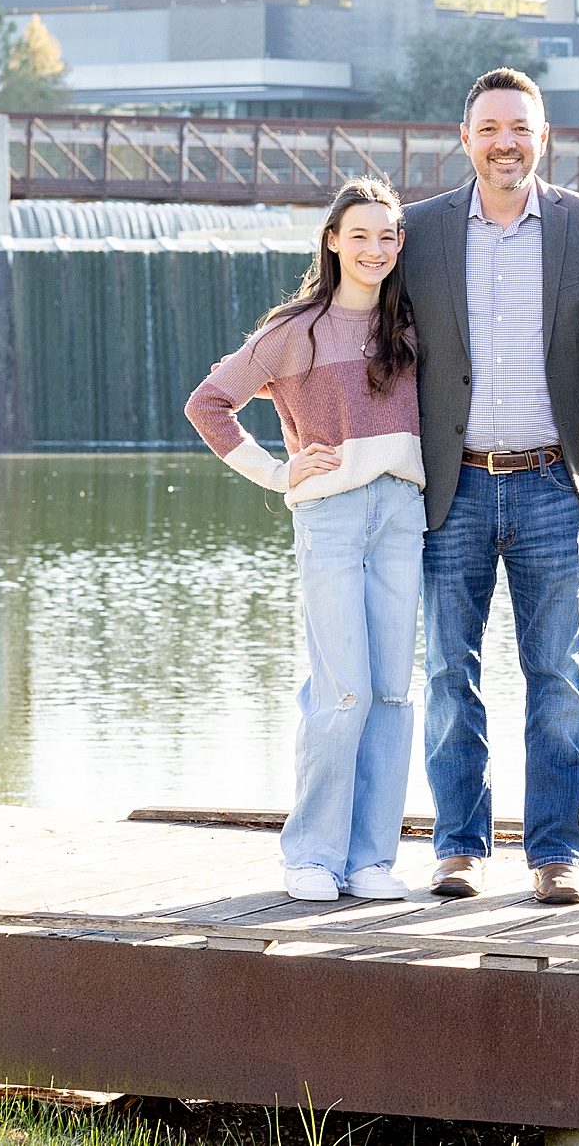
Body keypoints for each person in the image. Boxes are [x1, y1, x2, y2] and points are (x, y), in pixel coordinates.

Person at [397, 67, 579, 906]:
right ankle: (459, 844)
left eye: (520, 128)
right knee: (450, 675)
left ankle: (556, 850)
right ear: (466, 140)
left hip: (549, 484)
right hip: (449, 487)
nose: (505, 143)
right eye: (490, 128)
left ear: (543, 136)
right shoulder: (416, 232)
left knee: (556, 678)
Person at [185, 177, 425, 903]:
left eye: (387, 236)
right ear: (331, 241)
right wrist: (277, 471)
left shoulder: (411, 325)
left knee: (390, 689)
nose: (374, 248)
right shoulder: (295, 331)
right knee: (341, 687)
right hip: (329, 515)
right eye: (360, 235)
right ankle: (313, 853)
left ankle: (371, 858)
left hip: (401, 514)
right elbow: (209, 403)